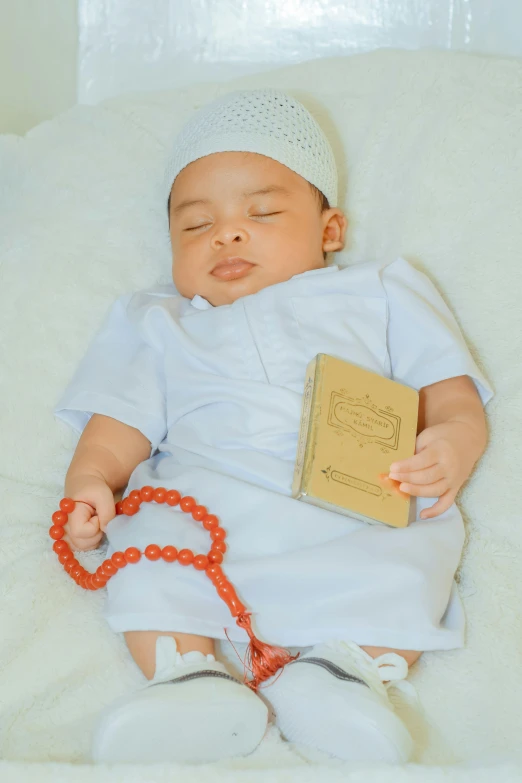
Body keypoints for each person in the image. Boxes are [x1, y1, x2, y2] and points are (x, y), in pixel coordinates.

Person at [53, 89, 494, 766]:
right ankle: (187, 677)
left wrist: (453, 441)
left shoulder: (378, 289)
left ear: (330, 229)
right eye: (195, 226)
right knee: (143, 545)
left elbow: (450, 391)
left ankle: (345, 674)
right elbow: (118, 426)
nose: (227, 234)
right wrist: (90, 483)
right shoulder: (159, 322)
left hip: (356, 499)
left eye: (261, 212)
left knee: (417, 549)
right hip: (208, 506)